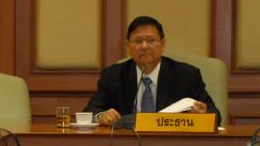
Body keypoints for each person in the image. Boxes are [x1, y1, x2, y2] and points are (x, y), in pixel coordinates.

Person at [83, 15, 221, 126]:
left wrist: (203, 114)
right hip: (126, 143)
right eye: (138, 41)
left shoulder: (186, 75)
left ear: (163, 44)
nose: (144, 46)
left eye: (151, 40)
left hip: (173, 143)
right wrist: (102, 116)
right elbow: (91, 111)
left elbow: (215, 115)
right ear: (128, 46)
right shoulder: (113, 75)